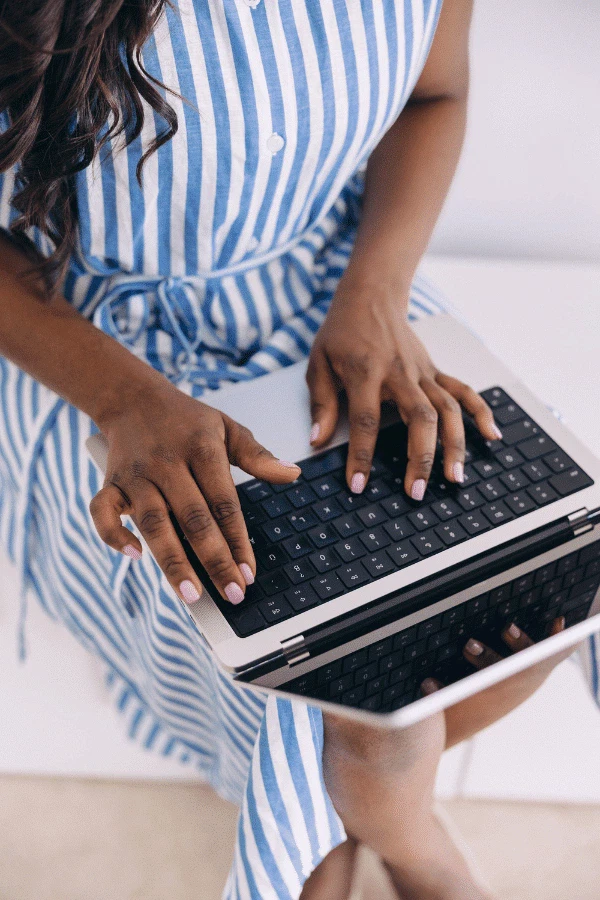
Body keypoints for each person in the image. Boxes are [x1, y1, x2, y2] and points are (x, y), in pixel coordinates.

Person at [0, 2, 593, 898]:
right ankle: (404, 842)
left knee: (546, 575)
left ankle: (359, 828)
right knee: (347, 697)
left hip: (350, 286)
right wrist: (124, 398)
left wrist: (378, 294)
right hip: (99, 344)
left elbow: (434, 94)